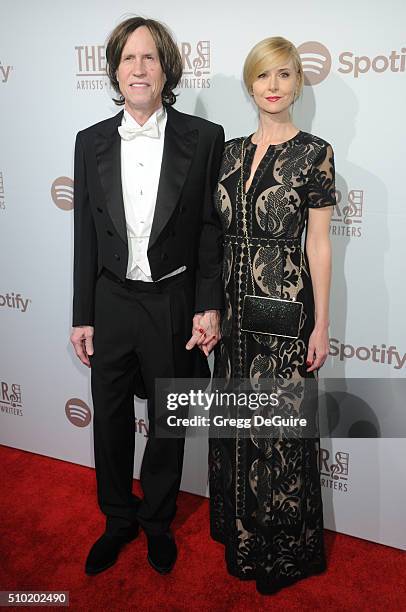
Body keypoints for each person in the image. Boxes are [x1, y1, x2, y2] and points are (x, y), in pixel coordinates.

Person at [70, 16, 224, 576]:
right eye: (128, 58)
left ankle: (157, 521)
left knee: (168, 418)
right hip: (111, 301)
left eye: (150, 58)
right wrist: (82, 315)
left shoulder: (203, 138)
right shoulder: (89, 142)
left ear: (166, 69)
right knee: (109, 419)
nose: (139, 68)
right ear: (114, 70)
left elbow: (211, 229)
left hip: (174, 300)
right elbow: (85, 233)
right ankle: (117, 518)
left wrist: (210, 304)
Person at [209, 36, 336, 594]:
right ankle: (240, 537)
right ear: (250, 84)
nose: (274, 86)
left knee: (279, 433)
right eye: (264, 76)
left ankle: (282, 554)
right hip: (233, 314)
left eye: (284, 75)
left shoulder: (315, 151)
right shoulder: (229, 151)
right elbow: (212, 234)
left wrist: (322, 322)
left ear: (298, 84)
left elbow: (320, 245)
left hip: (285, 314)